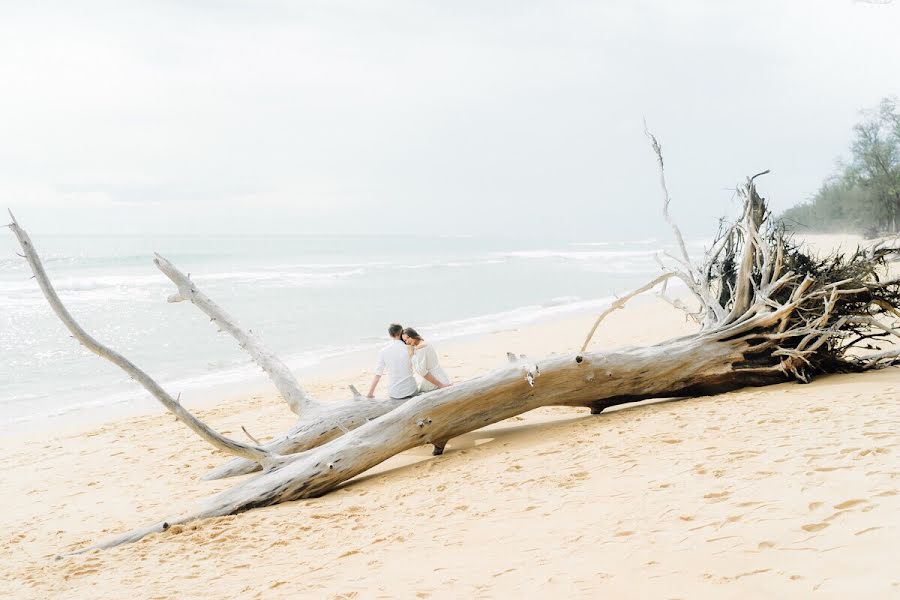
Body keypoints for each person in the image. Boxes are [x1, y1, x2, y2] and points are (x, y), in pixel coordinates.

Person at [366, 323, 418, 400]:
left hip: (395, 393)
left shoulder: (383, 351)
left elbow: (378, 375)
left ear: (390, 335)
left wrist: (370, 394)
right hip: (411, 390)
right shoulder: (409, 347)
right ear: (402, 332)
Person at [402, 327, 451, 393]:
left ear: (413, 335)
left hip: (435, 383)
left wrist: (411, 354)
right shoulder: (425, 343)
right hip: (442, 377)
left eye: (408, 338)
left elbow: (421, 371)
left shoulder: (421, 348)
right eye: (405, 340)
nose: (407, 342)